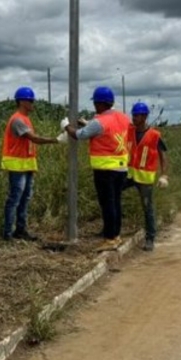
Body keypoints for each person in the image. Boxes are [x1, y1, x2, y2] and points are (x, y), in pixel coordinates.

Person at [65, 86, 131, 252]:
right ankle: (116, 236)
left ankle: (109, 239)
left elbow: (79, 135)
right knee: (116, 202)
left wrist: (66, 126)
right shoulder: (123, 117)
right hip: (121, 168)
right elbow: (107, 132)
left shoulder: (99, 122)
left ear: (100, 103)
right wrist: (87, 124)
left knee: (107, 204)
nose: (95, 106)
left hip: (105, 170)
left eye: (95, 103)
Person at [0, 86, 60, 241]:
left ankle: (20, 230)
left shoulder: (25, 119)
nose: (33, 103)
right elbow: (34, 139)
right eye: (30, 100)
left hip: (26, 165)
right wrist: (56, 140)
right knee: (15, 199)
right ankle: (8, 233)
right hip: (17, 165)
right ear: (21, 101)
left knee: (25, 198)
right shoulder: (18, 120)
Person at [124, 102, 169, 252]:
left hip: (145, 178)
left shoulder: (155, 135)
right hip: (129, 175)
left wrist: (164, 175)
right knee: (111, 195)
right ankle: (111, 229)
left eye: (137, 115)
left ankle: (150, 238)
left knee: (147, 208)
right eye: (133, 115)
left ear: (144, 117)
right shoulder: (129, 131)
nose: (134, 118)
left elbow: (163, 156)